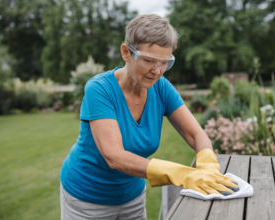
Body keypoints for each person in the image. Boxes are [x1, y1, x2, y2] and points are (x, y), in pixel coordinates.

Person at [60, 14, 239, 220]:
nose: (157, 71)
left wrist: (208, 164)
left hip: (133, 196)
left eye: (165, 62)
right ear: (126, 52)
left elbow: (195, 133)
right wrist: (182, 174)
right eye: (148, 60)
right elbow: (114, 156)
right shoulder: (100, 89)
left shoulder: (161, 88)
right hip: (86, 198)